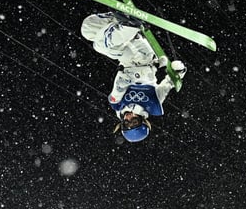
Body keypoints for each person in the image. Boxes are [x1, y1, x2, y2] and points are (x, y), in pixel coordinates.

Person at [80, 12, 187, 142]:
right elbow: (169, 83)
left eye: (126, 123)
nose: (129, 118)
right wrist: (177, 72)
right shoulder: (153, 103)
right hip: (143, 58)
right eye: (134, 121)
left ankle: (119, 19)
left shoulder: (118, 104)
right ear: (142, 120)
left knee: (88, 30)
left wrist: (120, 91)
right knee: (104, 46)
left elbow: (120, 83)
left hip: (126, 60)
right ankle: (130, 26)